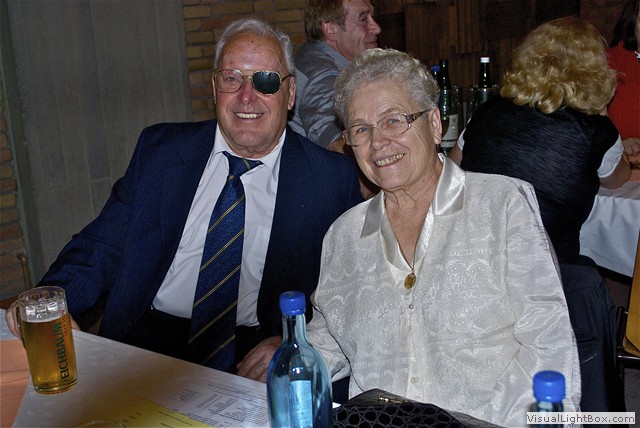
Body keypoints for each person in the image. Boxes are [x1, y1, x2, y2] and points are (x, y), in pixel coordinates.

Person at [5, 18, 363, 382]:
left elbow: (351, 289)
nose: (246, 96)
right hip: (149, 341)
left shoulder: (329, 178)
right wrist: (49, 301)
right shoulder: (161, 152)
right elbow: (102, 245)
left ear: (290, 94)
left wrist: (297, 340)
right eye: (232, 78)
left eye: (266, 81)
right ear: (215, 88)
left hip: (253, 353)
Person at [305, 48, 581, 426]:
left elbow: (548, 347)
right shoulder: (344, 236)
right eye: (361, 129)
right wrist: (288, 359)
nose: (378, 142)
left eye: (394, 120)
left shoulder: (501, 205)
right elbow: (326, 342)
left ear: (435, 124)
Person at [449, 17, 629, 413]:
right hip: (549, 279)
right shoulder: (597, 132)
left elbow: (452, 171)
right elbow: (618, 179)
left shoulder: (488, 112)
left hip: (472, 264)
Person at [289, 0, 381, 150]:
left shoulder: (312, 53)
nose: (376, 28)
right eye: (363, 19)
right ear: (330, 29)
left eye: (372, 17)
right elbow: (331, 139)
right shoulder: (323, 74)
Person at [609, 0, 640, 162]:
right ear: (632, 23)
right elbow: (592, 115)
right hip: (625, 158)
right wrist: (618, 143)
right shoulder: (612, 59)